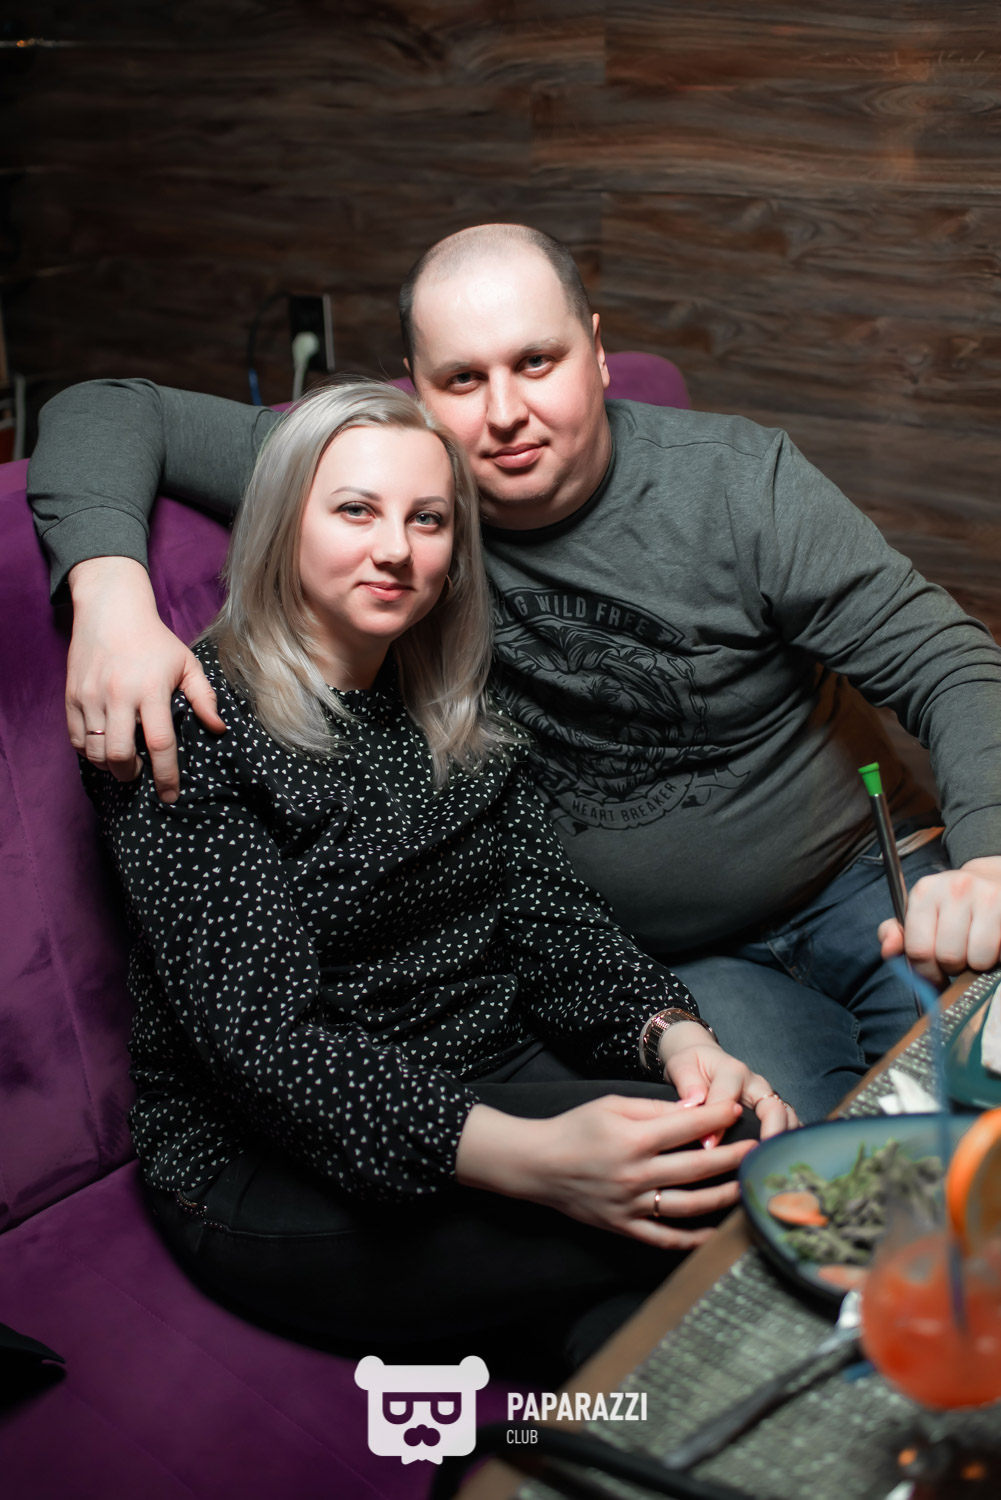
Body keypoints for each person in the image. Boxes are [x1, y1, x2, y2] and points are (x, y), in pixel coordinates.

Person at [28, 224, 1001, 1122]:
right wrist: (109, 599)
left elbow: (946, 661)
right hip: (672, 963)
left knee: (976, 1103)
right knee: (794, 1178)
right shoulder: (379, 491)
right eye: (461, 380)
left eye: (536, 362)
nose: (504, 414)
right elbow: (103, 408)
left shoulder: (741, 484)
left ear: (595, 351)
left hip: (862, 879)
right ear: (416, 390)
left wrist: (991, 859)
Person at [77, 380, 791, 1371]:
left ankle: (549, 1445)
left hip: (478, 1072)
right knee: (732, 1205)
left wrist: (671, 1034)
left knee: (723, 1160)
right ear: (283, 522)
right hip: (260, 1160)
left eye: (427, 520)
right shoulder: (191, 723)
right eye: (355, 510)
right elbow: (266, 1047)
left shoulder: (443, 703)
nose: (395, 550)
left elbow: (546, 914)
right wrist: (533, 1162)